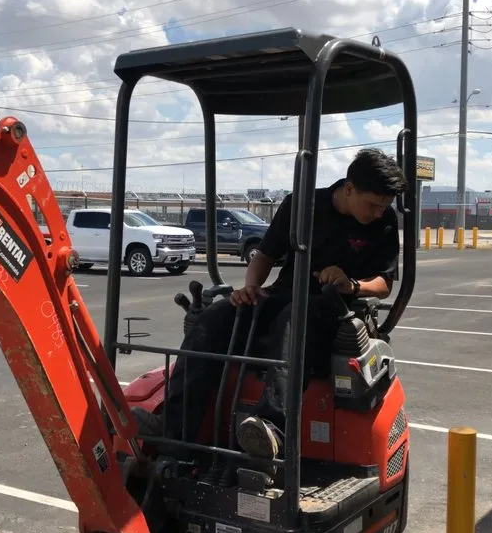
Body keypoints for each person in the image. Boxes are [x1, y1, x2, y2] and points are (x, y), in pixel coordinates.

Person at [134, 148, 406, 463]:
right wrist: (250, 287)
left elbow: (384, 284)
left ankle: (270, 429)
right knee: (215, 316)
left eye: (383, 207)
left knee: (292, 319)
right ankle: (174, 429)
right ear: (348, 189)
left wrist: (351, 285)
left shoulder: (384, 223)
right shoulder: (302, 205)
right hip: (284, 295)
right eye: (372, 205)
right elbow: (264, 255)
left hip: (334, 309)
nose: (378, 213)